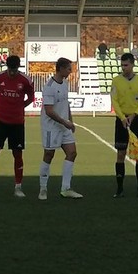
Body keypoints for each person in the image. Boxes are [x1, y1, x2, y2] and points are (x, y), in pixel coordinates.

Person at [0, 54, 35, 198]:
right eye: (10, 70)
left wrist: (20, 106)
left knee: (18, 154)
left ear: (18, 67)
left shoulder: (25, 80)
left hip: (17, 123)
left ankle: (18, 187)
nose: (12, 73)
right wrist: (2, 104)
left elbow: (31, 97)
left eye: (14, 70)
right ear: (7, 67)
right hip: (0, 120)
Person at [39, 57, 82, 199]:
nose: (71, 71)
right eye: (69, 69)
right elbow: (49, 111)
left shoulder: (64, 83)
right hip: (51, 127)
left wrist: (71, 120)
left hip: (64, 126)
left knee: (72, 153)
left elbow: (66, 104)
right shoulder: (50, 87)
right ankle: (43, 188)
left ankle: (66, 188)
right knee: (49, 155)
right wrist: (65, 122)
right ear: (62, 69)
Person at [111, 52, 138, 197]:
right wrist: (122, 117)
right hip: (121, 121)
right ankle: (119, 189)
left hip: (137, 121)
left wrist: (134, 115)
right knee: (120, 154)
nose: (123, 68)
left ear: (132, 64)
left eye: (126, 65)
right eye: (122, 65)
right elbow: (114, 100)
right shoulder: (116, 81)